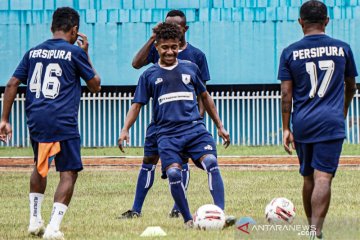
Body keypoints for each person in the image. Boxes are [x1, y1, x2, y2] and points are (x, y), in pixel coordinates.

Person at [0, 7, 101, 240]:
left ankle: (35, 220)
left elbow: (12, 83)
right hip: (62, 120)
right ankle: (54, 228)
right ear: (75, 30)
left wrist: (4, 119)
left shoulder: (33, 52)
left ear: (52, 27)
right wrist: (85, 54)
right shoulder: (74, 53)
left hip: (36, 119)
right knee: (69, 172)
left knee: (40, 164)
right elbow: (95, 85)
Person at [118, 22, 230, 227]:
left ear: (179, 45)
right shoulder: (149, 75)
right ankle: (187, 219)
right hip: (166, 133)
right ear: (157, 47)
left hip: (194, 129)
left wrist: (220, 126)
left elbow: (205, 97)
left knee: (212, 163)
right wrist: (125, 129)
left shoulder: (191, 68)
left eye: (174, 47)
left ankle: (221, 214)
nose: (170, 51)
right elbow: (136, 105)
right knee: (173, 173)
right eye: (165, 47)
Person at [279, 1, 357, 239]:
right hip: (331, 122)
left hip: (303, 122)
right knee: (323, 176)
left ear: (300, 22)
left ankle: (312, 230)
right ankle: (315, 231)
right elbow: (351, 86)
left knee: (308, 176)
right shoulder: (343, 49)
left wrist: (285, 127)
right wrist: (342, 111)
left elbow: (286, 94)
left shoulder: (290, 52)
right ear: (327, 21)